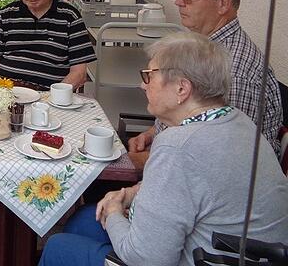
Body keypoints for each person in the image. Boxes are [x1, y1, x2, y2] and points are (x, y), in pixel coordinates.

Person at [38, 32, 288, 266]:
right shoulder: (236, 120)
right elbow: (191, 189)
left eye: (149, 75)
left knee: (58, 247)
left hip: (207, 258)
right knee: (84, 221)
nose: (142, 85)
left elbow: (145, 258)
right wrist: (130, 192)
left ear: (182, 88)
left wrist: (115, 211)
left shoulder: (178, 146)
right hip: (247, 253)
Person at [129, 0, 283, 164]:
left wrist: (142, 162)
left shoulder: (233, 70)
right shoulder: (202, 47)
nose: (178, 2)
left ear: (223, 3)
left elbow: (224, 158)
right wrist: (152, 133)